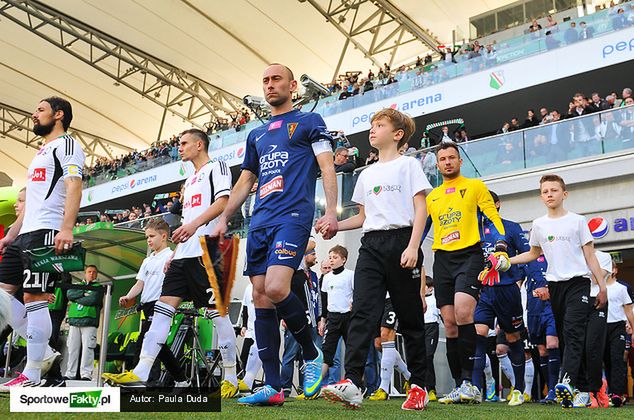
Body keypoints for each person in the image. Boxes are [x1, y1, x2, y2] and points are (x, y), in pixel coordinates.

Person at [213, 63, 338, 406]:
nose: (270, 85)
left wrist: (329, 210)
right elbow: (245, 181)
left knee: (277, 287)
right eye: (265, 80)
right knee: (259, 296)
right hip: (260, 221)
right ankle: (272, 386)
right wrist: (225, 217)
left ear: (292, 85)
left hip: (293, 215)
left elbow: (327, 167)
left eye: (276, 79)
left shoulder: (311, 121)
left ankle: (312, 351)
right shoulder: (256, 134)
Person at [102, 129, 238, 399]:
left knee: (217, 314)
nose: (180, 148)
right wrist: (175, 253)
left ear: (200, 145)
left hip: (208, 252)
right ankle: (141, 372)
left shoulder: (217, 167)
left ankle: (231, 377)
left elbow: (223, 202)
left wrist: (193, 226)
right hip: (185, 254)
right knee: (163, 310)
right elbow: (190, 219)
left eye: (185, 143)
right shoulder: (190, 179)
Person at [319, 107, 431, 410]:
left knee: (410, 319)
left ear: (397, 134)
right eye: (372, 125)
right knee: (364, 312)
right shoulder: (366, 174)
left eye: (379, 125)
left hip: (402, 243)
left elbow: (421, 209)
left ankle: (419, 385)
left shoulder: (409, 165)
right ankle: (353, 381)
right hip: (371, 245)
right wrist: (335, 225)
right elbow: (362, 217)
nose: (372, 130)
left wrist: (413, 246)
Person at [0, 97, 85, 389]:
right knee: (2, 296)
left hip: (47, 231)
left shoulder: (68, 145)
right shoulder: (42, 151)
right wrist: (10, 234)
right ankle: (44, 352)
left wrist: (67, 228)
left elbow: (74, 185)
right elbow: (32, 202)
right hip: (25, 234)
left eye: (40, 110)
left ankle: (33, 373)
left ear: (58, 115)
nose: (33, 115)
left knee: (34, 299)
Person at [509, 174, 607, 408]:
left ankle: (566, 382)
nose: (549, 194)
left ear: (564, 194)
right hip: (555, 286)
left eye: (554, 190)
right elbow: (533, 254)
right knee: (565, 337)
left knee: (573, 332)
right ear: (541, 196)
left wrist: (602, 287)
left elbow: (590, 256)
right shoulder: (539, 224)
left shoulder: (578, 221)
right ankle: (583, 388)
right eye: (545, 191)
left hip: (579, 284)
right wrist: (507, 261)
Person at [425, 142, 508, 405]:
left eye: (452, 157)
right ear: (437, 165)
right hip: (442, 260)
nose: (447, 162)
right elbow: (419, 226)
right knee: (449, 323)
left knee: (463, 312)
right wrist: (410, 249)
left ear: (460, 161)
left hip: (469, 256)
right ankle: (460, 384)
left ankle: (472, 384)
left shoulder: (475, 186)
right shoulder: (432, 196)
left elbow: (492, 217)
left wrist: (501, 246)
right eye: (442, 159)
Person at [471, 191, 533, 406]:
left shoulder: (511, 227)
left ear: (497, 204)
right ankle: (474, 388)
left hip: (508, 291)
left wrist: (522, 279)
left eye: (487, 203)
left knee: (513, 338)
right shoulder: (474, 229)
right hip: (485, 292)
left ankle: (519, 389)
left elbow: (529, 255)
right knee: (477, 333)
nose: (482, 207)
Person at [117, 219, 189, 386]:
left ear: (164, 236)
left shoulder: (171, 257)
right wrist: (128, 296)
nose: (148, 240)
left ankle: (142, 379)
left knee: (146, 341)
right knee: (159, 346)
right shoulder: (147, 260)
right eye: (146, 237)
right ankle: (181, 380)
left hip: (161, 305)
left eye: (151, 236)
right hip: (146, 306)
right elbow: (140, 283)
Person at [524, 254, 560, 404]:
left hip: (551, 308)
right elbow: (519, 283)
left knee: (552, 344)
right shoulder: (526, 260)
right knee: (542, 350)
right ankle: (550, 389)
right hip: (533, 310)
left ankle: (553, 390)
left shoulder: (554, 256)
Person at [368, 292, 412, 401]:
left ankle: (383, 389)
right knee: (378, 344)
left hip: (394, 298)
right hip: (376, 300)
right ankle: (409, 377)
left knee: (386, 336)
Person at [320, 246, 354, 385]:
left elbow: (358, 293)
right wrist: (323, 320)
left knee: (352, 351)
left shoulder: (350, 275)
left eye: (335, 258)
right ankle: (316, 384)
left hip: (348, 317)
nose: (332, 261)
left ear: (344, 259)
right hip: (332, 318)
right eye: (330, 257)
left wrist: (354, 303)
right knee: (327, 351)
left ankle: (355, 383)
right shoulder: (326, 278)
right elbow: (324, 300)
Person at [63, 265, 103, 381]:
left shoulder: (98, 287)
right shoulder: (77, 285)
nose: (91, 274)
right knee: (72, 348)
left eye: (94, 272)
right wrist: (84, 293)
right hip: (74, 320)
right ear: (85, 273)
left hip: (89, 321)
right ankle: (70, 373)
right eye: (89, 272)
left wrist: (78, 297)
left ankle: (86, 374)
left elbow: (92, 300)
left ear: (96, 275)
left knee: (88, 349)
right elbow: (70, 295)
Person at [604, 259, 634, 407]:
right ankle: (608, 393)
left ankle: (617, 393)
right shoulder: (597, 288)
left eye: (610, 267)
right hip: (602, 327)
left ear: (615, 270)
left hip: (618, 327)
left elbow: (628, 309)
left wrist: (633, 329)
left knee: (617, 359)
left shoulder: (622, 288)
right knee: (606, 360)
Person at [423, 276, 440, 401]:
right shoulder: (416, 299)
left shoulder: (436, 300)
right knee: (419, 358)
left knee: (428, 356)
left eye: (424, 286)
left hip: (431, 328)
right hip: (420, 328)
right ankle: (419, 387)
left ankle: (431, 389)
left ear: (430, 288)